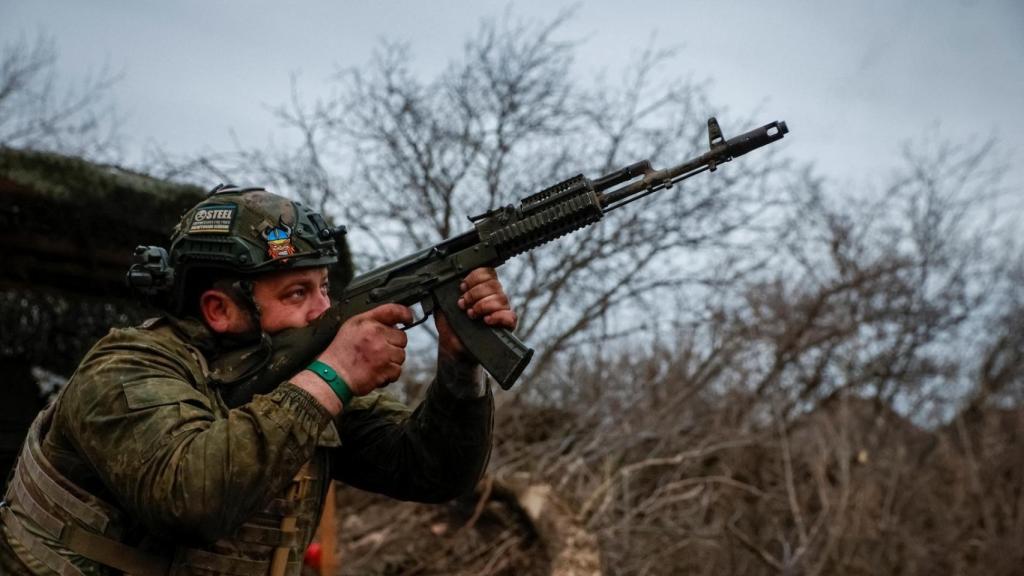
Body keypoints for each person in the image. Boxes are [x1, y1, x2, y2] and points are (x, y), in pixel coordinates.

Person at [0, 185, 516, 576]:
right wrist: (333, 376)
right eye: (296, 294)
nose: (323, 311)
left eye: (323, 288)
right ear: (220, 309)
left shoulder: (286, 375)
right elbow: (192, 499)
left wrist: (459, 366)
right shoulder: (125, 369)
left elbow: (431, 470)